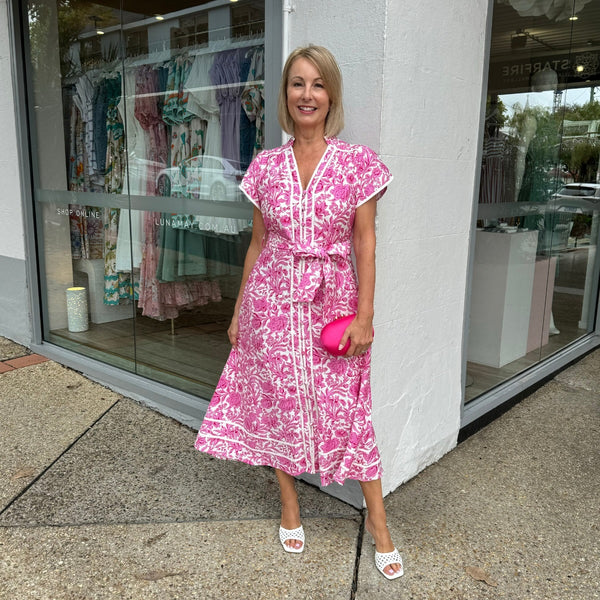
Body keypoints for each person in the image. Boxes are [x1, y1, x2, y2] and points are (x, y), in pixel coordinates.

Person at [195, 45, 402, 580]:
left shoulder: (357, 163)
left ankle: (379, 523)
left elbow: (365, 243)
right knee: (279, 407)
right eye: (296, 84)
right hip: (273, 304)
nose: (307, 94)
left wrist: (365, 315)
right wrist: (241, 310)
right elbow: (258, 244)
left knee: (352, 414)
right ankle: (290, 505)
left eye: (317, 84)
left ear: (330, 94)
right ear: (285, 95)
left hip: (333, 303)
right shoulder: (266, 167)